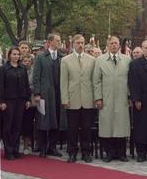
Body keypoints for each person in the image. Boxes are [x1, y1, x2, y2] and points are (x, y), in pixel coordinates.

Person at [93, 36, 131, 162]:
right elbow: (96, 81)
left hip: (122, 98)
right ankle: (109, 153)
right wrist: (98, 98)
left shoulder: (126, 60)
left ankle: (121, 153)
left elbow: (131, 80)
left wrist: (130, 96)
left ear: (119, 45)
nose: (114, 45)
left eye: (116, 43)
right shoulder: (100, 60)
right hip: (106, 97)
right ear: (108, 45)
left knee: (121, 125)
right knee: (107, 126)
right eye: (112, 43)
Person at [60, 34, 96, 163]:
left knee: (87, 128)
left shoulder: (92, 60)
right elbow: (63, 81)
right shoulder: (65, 60)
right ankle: (72, 152)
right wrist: (65, 99)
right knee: (72, 128)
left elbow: (94, 80)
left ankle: (86, 152)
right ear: (73, 44)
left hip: (88, 98)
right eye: (78, 43)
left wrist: (95, 98)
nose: (80, 45)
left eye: (82, 43)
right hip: (72, 99)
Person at [33, 33, 64, 157]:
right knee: (43, 120)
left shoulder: (62, 57)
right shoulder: (41, 57)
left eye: (60, 40)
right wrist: (37, 93)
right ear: (50, 42)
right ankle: (42, 147)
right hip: (45, 94)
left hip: (58, 94)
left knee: (56, 119)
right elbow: (36, 76)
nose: (59, 42)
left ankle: (52, 147)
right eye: (57, 40)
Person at [0, 47, 31, 160]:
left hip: (21, 100)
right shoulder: (3, 69)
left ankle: (15, 149)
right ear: (9, 55)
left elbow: (26, 85)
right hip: (9, 100)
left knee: (18, 125)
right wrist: (1, 101)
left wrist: (28, 99)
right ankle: (8, 150)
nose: (16, 56)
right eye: (14, 54)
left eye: (18, 54)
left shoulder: (22, 68)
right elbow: (0, 86)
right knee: (8, 125)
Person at [21, 54, 36, 154]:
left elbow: (35, 83)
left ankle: (26, 146)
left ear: (32, 62)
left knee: (27, 123)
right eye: (25, 61)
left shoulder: (34, 72)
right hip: (19, 101)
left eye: (28, 61)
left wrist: (28, 88)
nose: (27, 62)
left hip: (31, 101)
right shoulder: (19, 70)